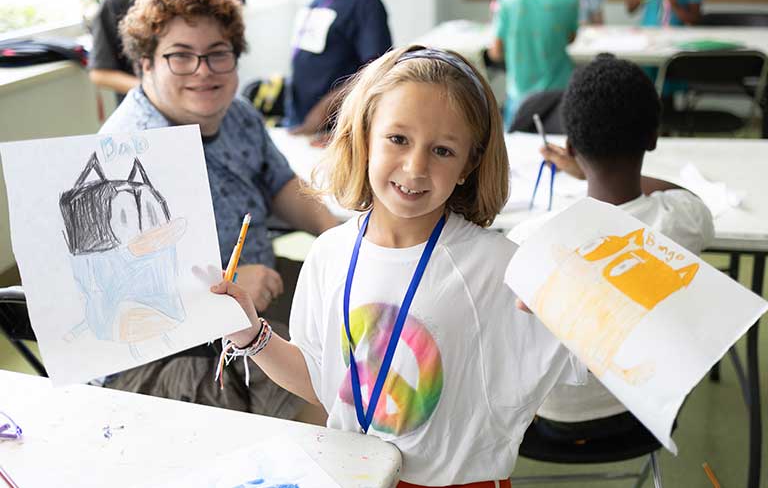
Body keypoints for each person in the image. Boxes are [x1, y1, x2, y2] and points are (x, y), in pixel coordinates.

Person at [212, 45, 586, 486]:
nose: (415, 166)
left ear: (470, 164)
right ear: (365, 135)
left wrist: (580, 303)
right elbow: (324, 383)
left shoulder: (498, 268)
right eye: (398, 139)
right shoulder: (329, 254)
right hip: (357, 476)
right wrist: (252, 335)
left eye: (443, 150)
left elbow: (585, 360)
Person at [100, 0, 338, 422]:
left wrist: (336, 233)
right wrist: (217, 297)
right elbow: (117, 296)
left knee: (363, 326)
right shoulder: (126, 155)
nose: (203, 70)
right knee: (333, 394)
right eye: (181, 57)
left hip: (255, 296)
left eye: (217, 54)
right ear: (145, 63)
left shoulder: (237, 116)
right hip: (168, 351)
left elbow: (278, 183)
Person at [509, 54, 714, 442]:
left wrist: (580, 170)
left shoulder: (528, 238)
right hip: (646, 419)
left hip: (546, 425)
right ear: (652, 138)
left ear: (570, 146)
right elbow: (687, 197)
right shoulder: (683, 221)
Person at [288, 0, 392, 134]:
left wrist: (323, 110)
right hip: (300, 121)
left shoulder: (365, 6)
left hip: (336, 128)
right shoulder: (317, 2)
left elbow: (375, 72)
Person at [488, 0, 579, 131]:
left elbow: (495, 53)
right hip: (559, 96)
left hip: (520, 97)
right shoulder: (569, 1)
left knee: (515, 153)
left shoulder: (508, 0)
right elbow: (570, 38)